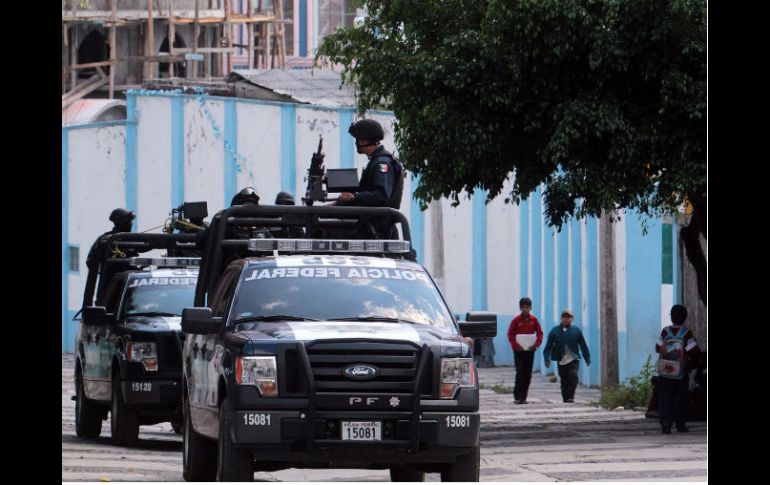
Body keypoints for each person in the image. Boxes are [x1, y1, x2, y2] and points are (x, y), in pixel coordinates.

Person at [336, 119, 404, 239]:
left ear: (364, 140)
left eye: (357, 139)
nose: (356, 143)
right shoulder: (376, 161)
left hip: (379, 231)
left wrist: (354, 197)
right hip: (373, 227)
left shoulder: (382, 163)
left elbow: (382, 195)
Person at [656, 304, 701, 434]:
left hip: (665, 371)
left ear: (671, 317)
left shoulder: (665, 331)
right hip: (681, 372)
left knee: (665, 397)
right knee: (681, 398)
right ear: (685, 317)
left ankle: (665, 423)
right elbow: (694, 351)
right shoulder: (686, 333)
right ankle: (680, 424)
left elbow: (658, 348)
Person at [83, 208, 137, 308]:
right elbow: (91, 261)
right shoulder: (105, 240)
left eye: (131, 221)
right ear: (119, 222)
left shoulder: (133, 239)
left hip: (131, 290)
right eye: (128, 221)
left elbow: (148, 245)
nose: (131, 224)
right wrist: (107, 270)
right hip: (109, 287)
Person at [543, 309, 591, 403]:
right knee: (564, 379)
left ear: (572, 319)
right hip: (561, 359)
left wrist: (587, 357)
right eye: (564, 317)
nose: (566, 319)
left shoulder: (576, 331)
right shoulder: (555, 330)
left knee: (573, 375)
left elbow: (583, 345)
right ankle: (566, 398)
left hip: (574, 358)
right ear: (561, 318)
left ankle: (570, 397)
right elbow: (548, 346)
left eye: (568, 317)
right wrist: (546, 358)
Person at [506, 297, 544, 404]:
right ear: (520, 308)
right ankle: (517, 396)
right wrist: (516, 345)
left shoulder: (534, 320)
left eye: (527, 307)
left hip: (530, 351)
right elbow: (510, 334)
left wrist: (536, 345)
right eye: (523, 307)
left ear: (530, 308)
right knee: (520, 372)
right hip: (519, 351)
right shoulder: (516, 321)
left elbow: (540, 333)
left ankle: (524, 397)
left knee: (528, 374)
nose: (525, 309)